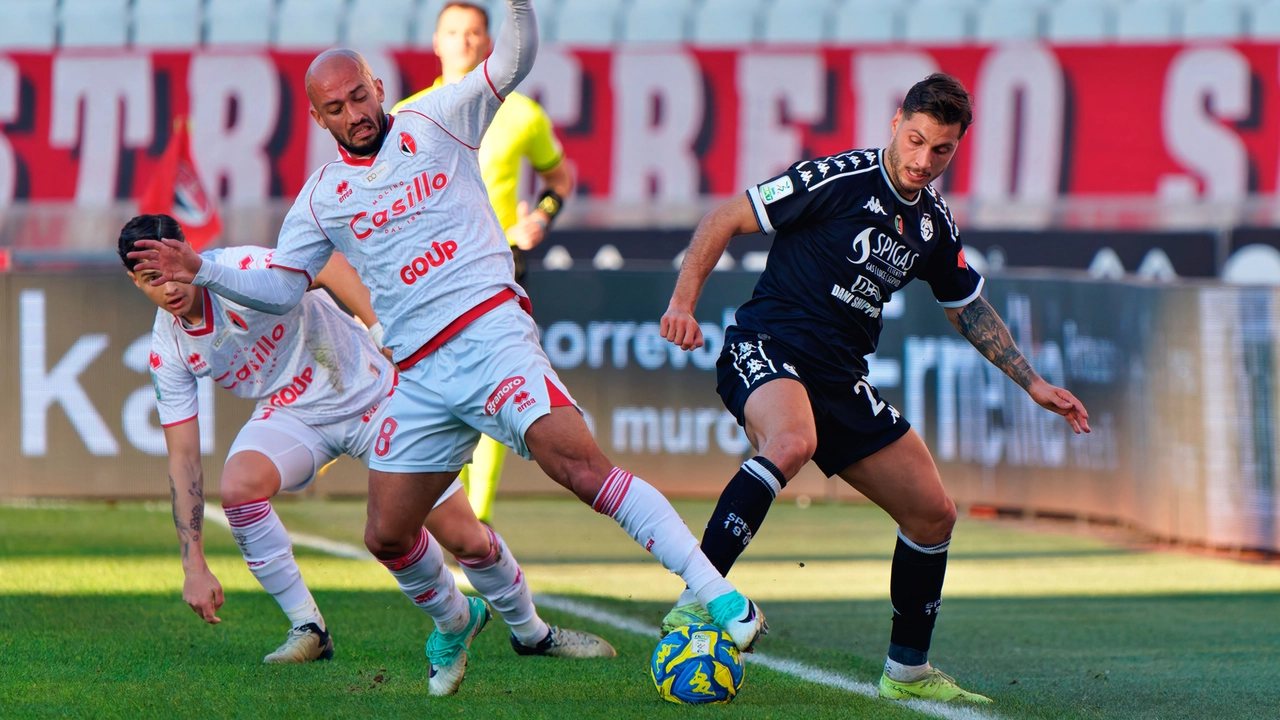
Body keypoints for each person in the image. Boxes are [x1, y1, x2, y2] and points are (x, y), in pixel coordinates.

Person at [128, 0, 766, 698]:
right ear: (319, 120)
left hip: (491, 339)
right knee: (387, 534)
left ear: (377, 85)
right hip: (420, 377)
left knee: (581, 470)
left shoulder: (438, 118)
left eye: (359, 95)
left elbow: (515, 58)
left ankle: (721, 598)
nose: (354, 113)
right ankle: (455, 621)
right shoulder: (320, 200)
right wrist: (205, 268)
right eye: (335, 108)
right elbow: (283, 287)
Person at [659, 74, 1090, 705]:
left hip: (840, 379)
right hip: (768, 346)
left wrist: (1032, 382)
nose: (922, 161)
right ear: (895, 122)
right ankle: (698, 599)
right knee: (792, 440)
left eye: (940, 150)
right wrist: (682, 303)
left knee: (933, 514)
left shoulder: (934, 224)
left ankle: (906, 673)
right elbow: (725, 217)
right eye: (915, 140)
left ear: (956, 148)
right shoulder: (835, 179)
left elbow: (966, 307)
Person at [121, 214, 613, 672]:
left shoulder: (238, 269)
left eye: (172, 271)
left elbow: (328, 264)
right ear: (134, 283)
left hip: (374, 393)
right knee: (239, 490)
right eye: (151, 280)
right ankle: (310, 628)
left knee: (464, 537)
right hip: (295, 413)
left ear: (186, 252)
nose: (169, 287)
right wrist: (194, 566)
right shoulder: (169, 349)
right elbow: (183, 457)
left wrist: (381, 330)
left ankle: (533, 633)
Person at [391, 0, 575, 526]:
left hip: (499, 264)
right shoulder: (406, 112)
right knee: (442, 392)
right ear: (436, 41)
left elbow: (560, 179)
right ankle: (449, 511)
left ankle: (478, 516)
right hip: (434, 271)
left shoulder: (520, 113)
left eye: (474, 32)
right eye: (453, 31)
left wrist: (542, 215)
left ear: (489, 41)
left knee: (500, 386)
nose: (464, 41)